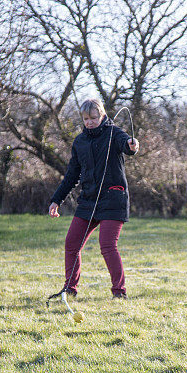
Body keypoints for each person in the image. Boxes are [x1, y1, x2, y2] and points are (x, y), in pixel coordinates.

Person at [48, 98, 139, 299]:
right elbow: (72, 175)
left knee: (107, 246)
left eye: (94, 118)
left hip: (113, 199)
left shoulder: (114, 133)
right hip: (88, 202)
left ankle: (119, 292)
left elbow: (127, 145)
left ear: (103, 115)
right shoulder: (80, 142)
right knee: (71, 244)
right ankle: (70, 289)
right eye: (86, 118)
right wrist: (56, 200)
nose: (89, 122)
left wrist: (132, 146)